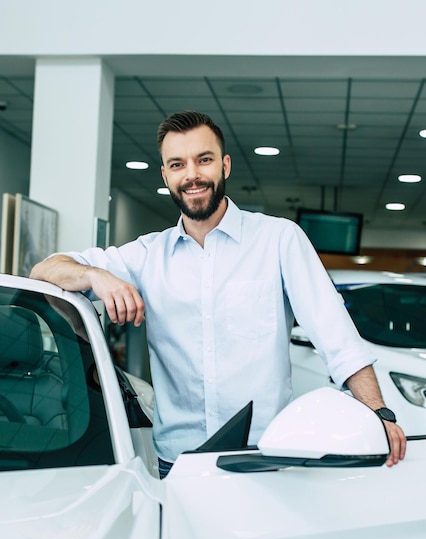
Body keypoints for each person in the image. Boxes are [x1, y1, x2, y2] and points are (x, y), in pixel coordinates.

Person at [30, 110, 406, 477]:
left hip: (264, 458)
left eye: (203, 160)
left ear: (224, 165)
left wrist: (378, 413)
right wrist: (96, 275)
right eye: (177, 165)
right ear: (165, 175)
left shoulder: (278, 239)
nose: (192, 175)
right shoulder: (146, 255)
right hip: (178, 463)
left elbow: (336, 337)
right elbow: (44, 271)